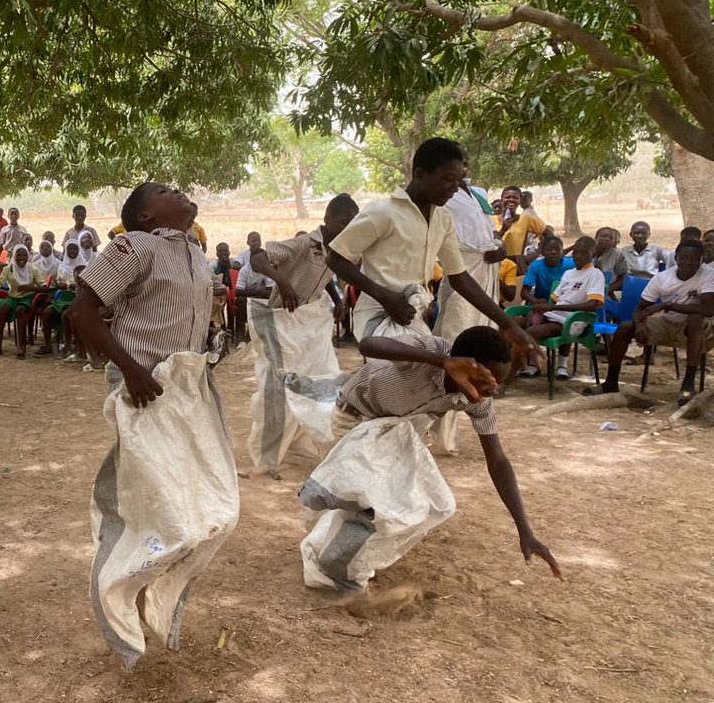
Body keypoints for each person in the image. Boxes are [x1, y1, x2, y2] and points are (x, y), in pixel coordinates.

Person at [69, 182, 236, 671]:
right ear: (144, 216)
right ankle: (118, 608)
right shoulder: (133, 246)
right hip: (143, 387)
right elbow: (83, 312)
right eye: (165, 191)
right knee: (150, 504)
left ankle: (152, 597)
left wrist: (209, 346)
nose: (179, 192)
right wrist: (131, 369)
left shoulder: (197, 253)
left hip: (186, 389)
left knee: (212, 505)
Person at [300, 327, 560, 591]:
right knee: (372, 502)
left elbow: (498, 461)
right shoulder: (429, 350)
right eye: (486, 381)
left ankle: (342, 555)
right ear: (464, 364)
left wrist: (524, 530)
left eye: (497, 384)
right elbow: (368, 345)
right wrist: (441, 362)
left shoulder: (477, 400)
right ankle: (332, 544)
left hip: (397, 434)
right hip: (356, 420)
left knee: (432, 506)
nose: (491, 391)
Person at [328, 137, 537, 359]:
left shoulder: (442, 219)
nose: (454, 188)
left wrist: (507, 324)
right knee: (402, 377)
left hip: (412, 316)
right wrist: (385, 296)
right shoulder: (383, 213)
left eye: (458, 181)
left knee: (426, 378)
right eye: (447, 179)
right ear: (420, 174)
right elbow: (335, 258)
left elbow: (459, 277)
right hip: (378, 317)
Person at [243, 194, 359, 470]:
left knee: (319, 380)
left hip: (306, 324)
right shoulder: (306, 244)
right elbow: (258, 258)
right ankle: (266, 457)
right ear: (328, 219)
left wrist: (338, 299)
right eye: (344, 222)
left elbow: (327, 276)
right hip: (282, 322)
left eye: (352, 224)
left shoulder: (336, 251)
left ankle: (300, 438)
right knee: (279, 387)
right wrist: (281, 280)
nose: (347, 228)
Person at [430, 152, 507, 453]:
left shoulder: (477, 195)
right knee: (453, 343)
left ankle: (472, 423)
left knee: (483, 347)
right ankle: (436, 430)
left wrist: (499, 247)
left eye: (463, 163)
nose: (460, 169)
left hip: (486, 272)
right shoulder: (442, 196)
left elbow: (488, 232)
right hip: (462, 271)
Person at [592, 239, 714, 405]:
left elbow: (708, 309)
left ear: (702, 260)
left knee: (695, 319)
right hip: (667, 322)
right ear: (676, 258)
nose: (689, 262)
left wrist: (667, 304)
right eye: (684, 258)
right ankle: (611, 382)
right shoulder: (662, 278)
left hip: (700, 328)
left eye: (694, 258)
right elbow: (640, 308)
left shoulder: (708, 275)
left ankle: (688, 384)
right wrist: (640, 324)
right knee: (625, 327)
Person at [516, 236, 605, 381]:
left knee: (527, 335)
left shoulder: (595, 274)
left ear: (593, 255)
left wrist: (553, 307)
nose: (578, 256)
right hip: (554, 315)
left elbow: (592, 305)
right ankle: (529, 365)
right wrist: (541, 306)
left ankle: (512, 376)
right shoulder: (569, 273)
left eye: (583, 253)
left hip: (571, 320)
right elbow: (555, 299)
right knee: (515, 325)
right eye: (575, 252)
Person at [0, 245, 45, 358]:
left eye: (24, 255)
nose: (22, 258)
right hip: (13, 297)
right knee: (3, 309)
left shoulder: (33, 269)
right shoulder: (8, 269)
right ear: (14, 256)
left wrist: (30, 288)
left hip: (27, 298)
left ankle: (21, 347)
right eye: (19, 255)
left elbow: (44, 287)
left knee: (20, 310)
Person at [35, 239, 85, 359]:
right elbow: (57, 282)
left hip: (77, 296)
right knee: (47, 313)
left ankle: (67, 346)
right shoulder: (61, 266)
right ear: (65, 250)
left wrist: (76, 285)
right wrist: (59, 285)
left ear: (79, 250)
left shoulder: (85, 265)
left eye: (75, 248)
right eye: (70, 249)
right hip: (63, 296)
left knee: (66, 315)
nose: (72, 251)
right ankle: (47, 345)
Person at [495, 185, 551, 263]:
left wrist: (539, 252)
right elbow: (488, 241)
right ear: (502, 200)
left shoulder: (526, 219)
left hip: (517, 264)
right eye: (507, 197)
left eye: (515, 198)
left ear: (520, 201)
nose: (511, 200)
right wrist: (503, 230)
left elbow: (548, 233)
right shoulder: (491, 220)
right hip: (495, 263)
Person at [520, 236, 574, 304]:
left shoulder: (571, 264)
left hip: (564, 304)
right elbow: (524, 292)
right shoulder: (536, 266)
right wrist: (535, 301)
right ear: (542, 252)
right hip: (541, 303)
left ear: (562, 252)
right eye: (549, 249)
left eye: (557, 249)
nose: (553, 252)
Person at [593, 226, 628, 295]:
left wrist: (607, 290)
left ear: (614, 241)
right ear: (596, 238)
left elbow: (623, 277)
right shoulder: (586, 251)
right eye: (603, 236)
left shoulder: (617, 254)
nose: (607, 239)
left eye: (611, 238)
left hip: (606, 291)